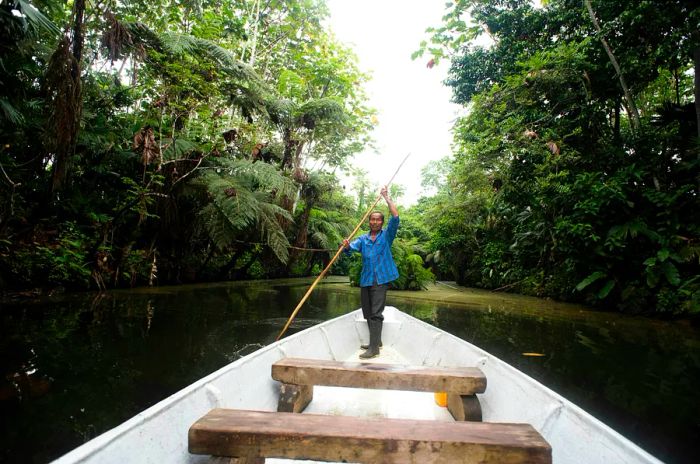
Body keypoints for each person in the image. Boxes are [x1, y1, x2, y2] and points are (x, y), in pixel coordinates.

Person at [343, 185, 399, 359]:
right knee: (367, 312)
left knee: (376, 313)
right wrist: (345, 246)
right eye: (372, 220)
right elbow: (350, 249)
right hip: (366, 279)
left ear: (382, 222)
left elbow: (395, 217)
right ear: (369, 222)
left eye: (377, 220)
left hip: (381, 279)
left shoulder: (386, 236)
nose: (374, 222)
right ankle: (376, 341)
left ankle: (374, 349)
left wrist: (386, 197)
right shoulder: (363, 239)